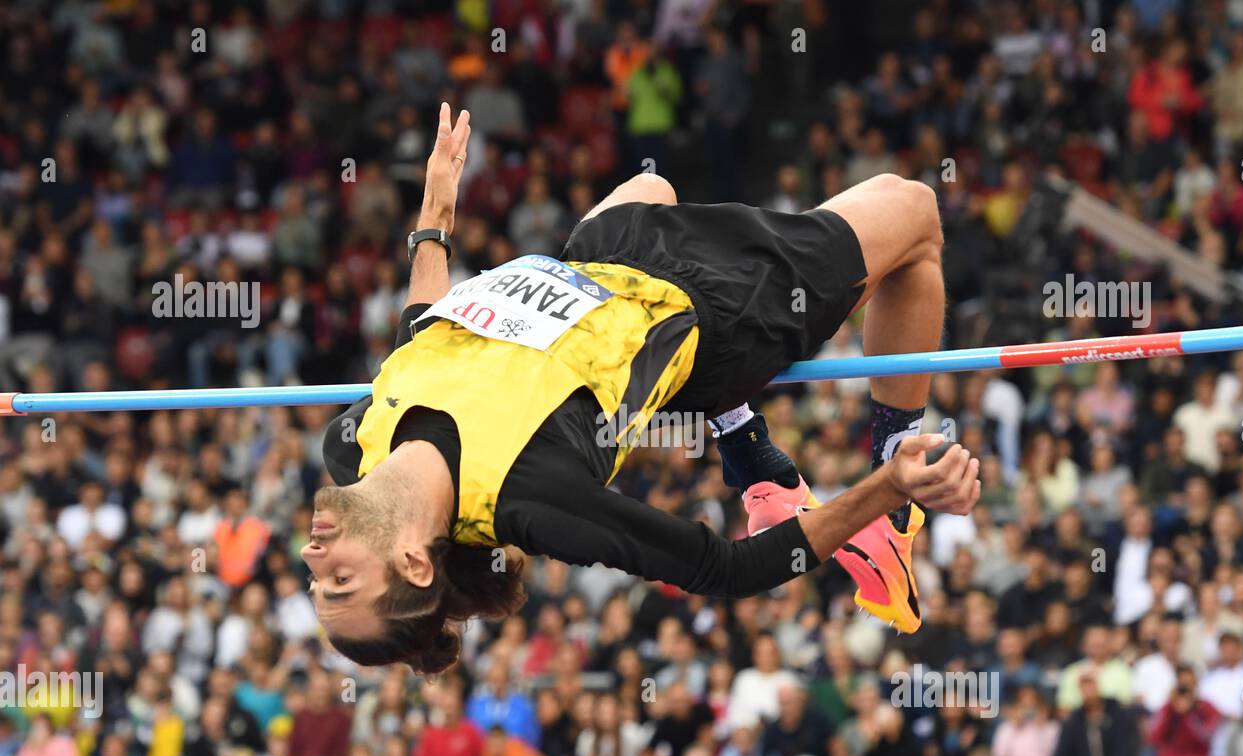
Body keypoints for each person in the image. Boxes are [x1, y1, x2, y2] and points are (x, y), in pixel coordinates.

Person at [304, 103, 981, 673]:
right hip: (709, 306)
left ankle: (747, 449)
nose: (314, 555)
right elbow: (727, 570)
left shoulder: (351, 446)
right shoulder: (531, 500)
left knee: (652, 187)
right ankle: (892, 513)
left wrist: (434, 220)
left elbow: (421, 336)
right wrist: (890, 486)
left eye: (317, 579)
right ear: (416, 564)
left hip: (600, 258)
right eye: (340, 578)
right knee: (915, 212)